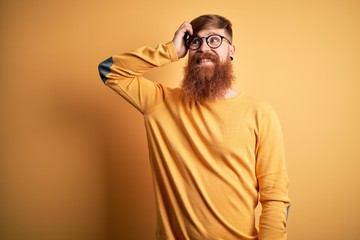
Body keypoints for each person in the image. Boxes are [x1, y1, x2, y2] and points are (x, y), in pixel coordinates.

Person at [98, 14, 290, 240]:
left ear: (232, 51)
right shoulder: (160, 103)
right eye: (195, 42)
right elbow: (109, 70)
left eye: (214, 40)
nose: (203, 48)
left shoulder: (261, 113)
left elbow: (275, 197)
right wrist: (170, 50)